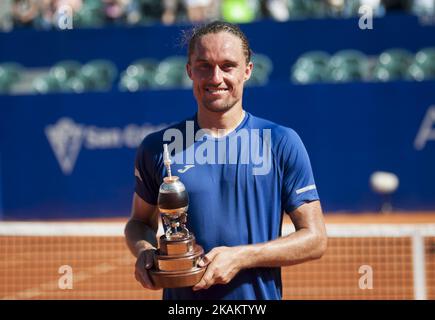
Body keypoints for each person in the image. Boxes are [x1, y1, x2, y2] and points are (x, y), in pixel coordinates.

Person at [124, 20, 327, 300]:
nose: (215, 77)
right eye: (204, 66)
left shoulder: (281, 142)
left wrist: (242, 257)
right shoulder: (157, 148)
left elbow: (315, 238)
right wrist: (145, 251)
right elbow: (138, 223)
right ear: (189, 71)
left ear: (247, 71)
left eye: (227, 65)